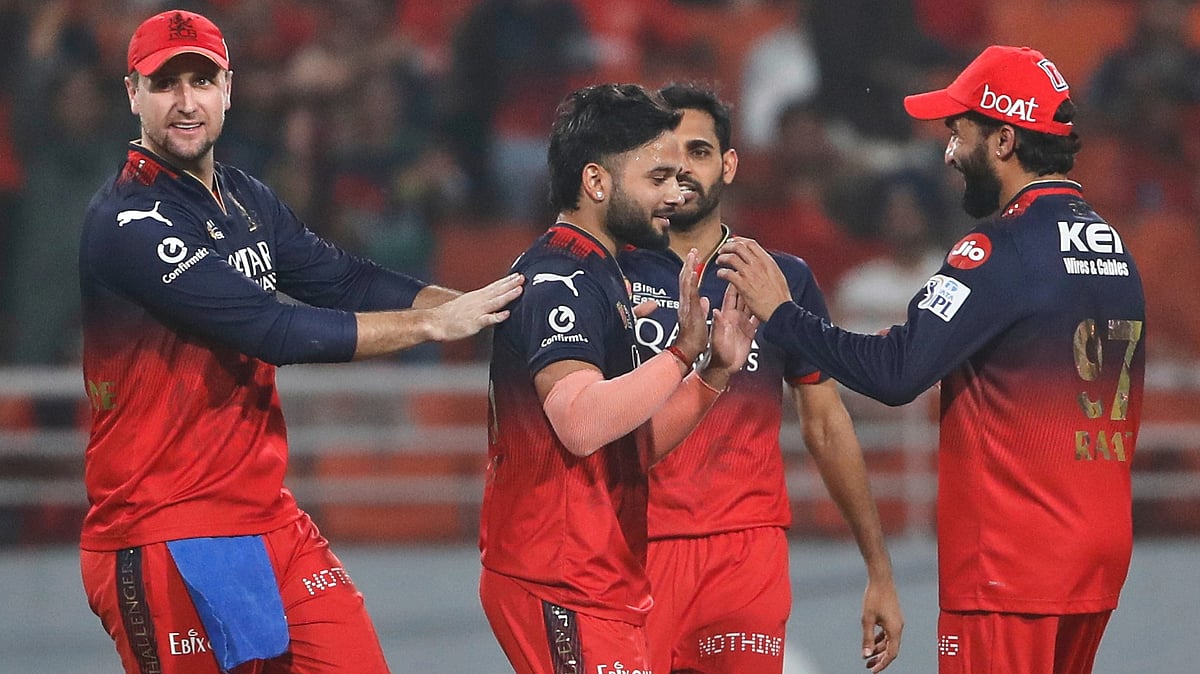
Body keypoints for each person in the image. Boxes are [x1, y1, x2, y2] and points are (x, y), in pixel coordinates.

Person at [78, 10, 524, 674]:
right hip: (165, 527)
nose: (186, 100)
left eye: (201, 80)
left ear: (228, 88)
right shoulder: (127, 220)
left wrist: (470, 306)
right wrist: (433, 325)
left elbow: (342, 279)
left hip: (264, 518)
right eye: (165, 83)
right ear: (132, 95)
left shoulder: (247, 197)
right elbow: (271, 328)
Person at [717, 45, 1146, 674]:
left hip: (1011, 564)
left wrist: (784, 317)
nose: (947, 152)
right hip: (1096, 553)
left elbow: (897, 373)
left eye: (958, 130)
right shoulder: (1116, 250)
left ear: (1004, 140)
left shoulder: (998, 250)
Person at [618, 82, 902, 674]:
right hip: (632, 550)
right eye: (665, 156)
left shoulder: (779, 280)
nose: (683, 169)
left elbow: (825, 423)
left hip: (745, 556)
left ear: (728, 164)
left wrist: (879, 567)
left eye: (698, 152)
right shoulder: (606, 274)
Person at [480, 82, 756, 674]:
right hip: (559, 577)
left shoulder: (602, 274)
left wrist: (713, 373)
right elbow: (580, 423)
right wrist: (680, 354)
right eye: (657, 178)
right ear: (597, 182)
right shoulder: (563, 277)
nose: (675, 194)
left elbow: (631, 445)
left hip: (597, 579)